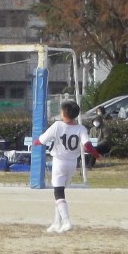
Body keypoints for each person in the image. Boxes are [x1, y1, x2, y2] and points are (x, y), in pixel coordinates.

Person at [35, 99, 89, 233]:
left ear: (64, 114)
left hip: (59, 162)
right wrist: (96, 154)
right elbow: (87, 145)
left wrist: (35, 142)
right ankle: (56, 222)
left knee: (58, 193)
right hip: (72, 163)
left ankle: (66, 221)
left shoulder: (58, 125)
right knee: (60, 193)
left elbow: (42, 140)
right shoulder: (81, 128)